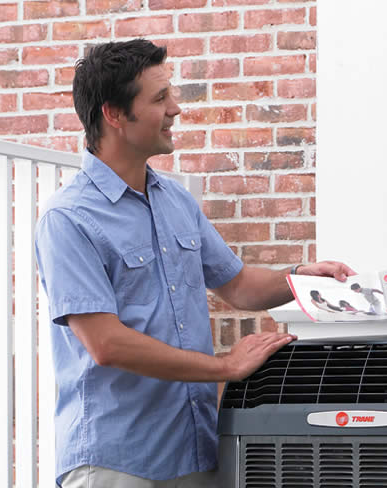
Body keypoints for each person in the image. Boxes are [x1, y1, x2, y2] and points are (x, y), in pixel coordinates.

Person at [35, 39, 354, 488]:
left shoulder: (175, 200)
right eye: (160, 97)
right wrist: (225, 367)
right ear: (114, 115)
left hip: (193, 450)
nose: (176, 109)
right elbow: (107, 344)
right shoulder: (68, 219)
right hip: (116, 461)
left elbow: (239, 286)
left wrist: (299, 278)